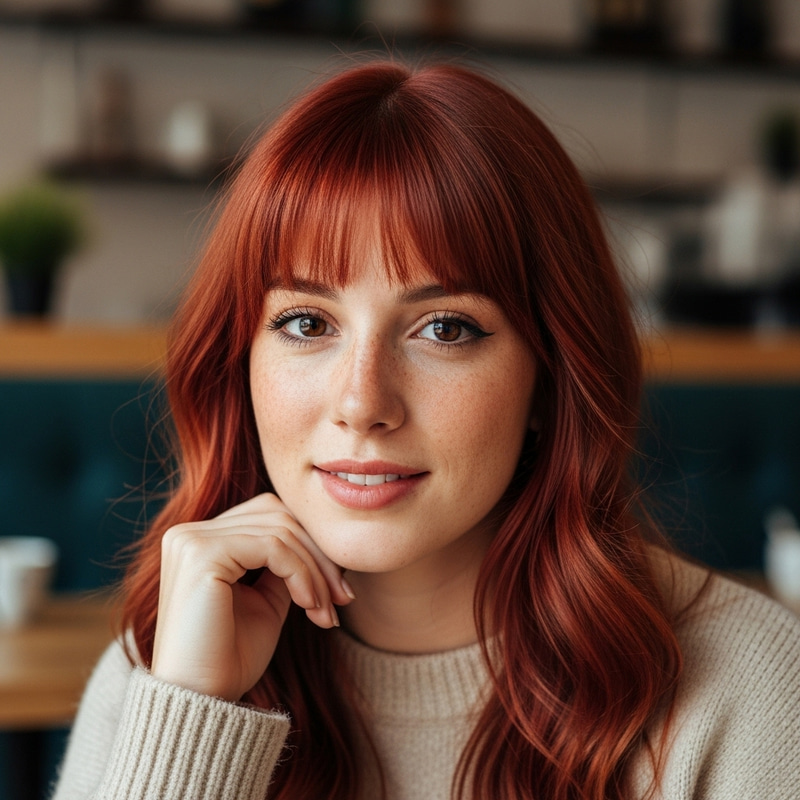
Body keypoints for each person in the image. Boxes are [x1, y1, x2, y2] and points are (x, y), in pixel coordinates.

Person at [53, 61, 800, 800]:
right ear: (238, 360)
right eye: (307, 322)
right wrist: (191, 725)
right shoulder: (164, 667)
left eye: (444, 328)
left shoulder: (748, 688)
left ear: (552, 376)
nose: (362, 402)